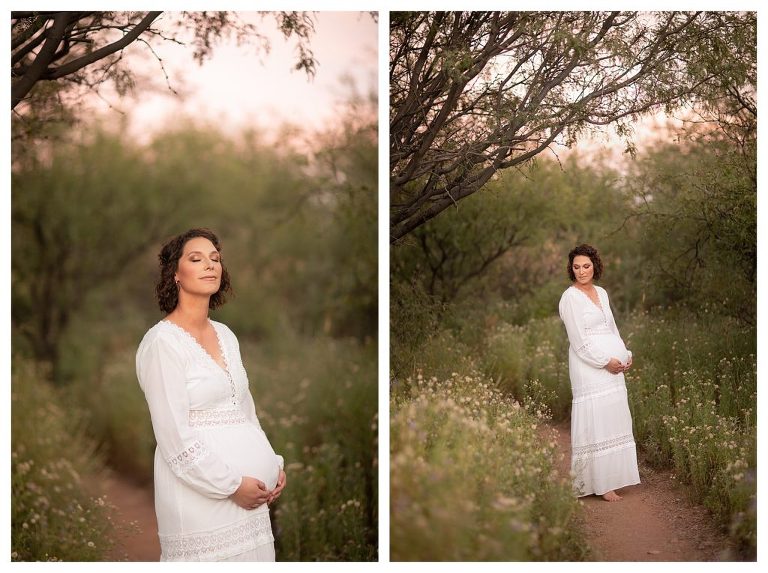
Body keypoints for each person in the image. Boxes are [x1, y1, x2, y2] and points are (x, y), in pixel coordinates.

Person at [136, 228, 287, 561]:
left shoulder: (226, 335)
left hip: (252, 505)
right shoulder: (162, 343)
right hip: (201, 502)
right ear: (175, 273)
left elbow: (245, 412)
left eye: (215, 258)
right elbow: (174, 438)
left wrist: (273, 464)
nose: (210, 265)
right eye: (196, 258)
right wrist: (232, 485)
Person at [558, 244, 640, 502]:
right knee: (597, 419)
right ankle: (601, 484)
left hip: (614, 366)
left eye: (586, 266)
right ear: (571, 270)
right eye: (576, 267)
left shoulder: (602, 293)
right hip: (590, 366)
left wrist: (625, 354)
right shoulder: (570, 298)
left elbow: (612, 328)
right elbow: (579, 341)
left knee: (613, 417)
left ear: (594, 265)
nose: (581, 271)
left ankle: (614, 477)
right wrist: (605, 361)